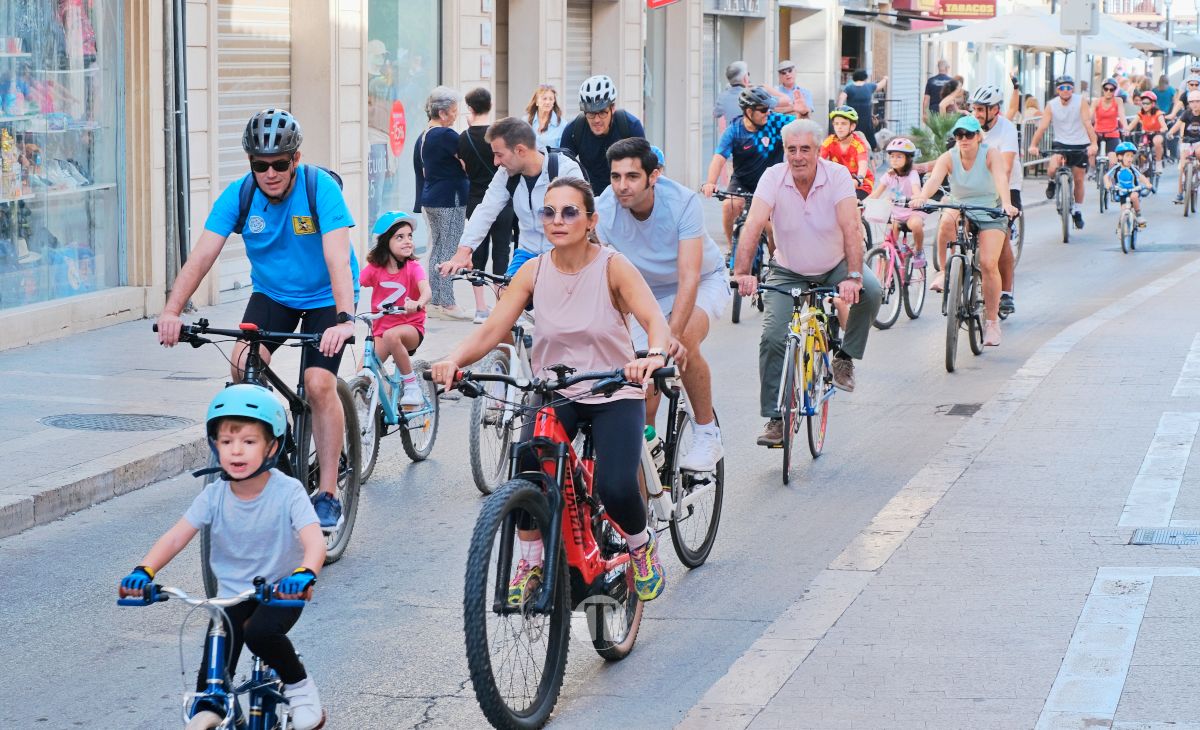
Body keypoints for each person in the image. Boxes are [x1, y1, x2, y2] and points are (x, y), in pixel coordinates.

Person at [430, 177, 674, 602]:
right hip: (557, 388)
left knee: (616, 487)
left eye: (569, 212)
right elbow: (492, 329)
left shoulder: (613, 266)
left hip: (613, 388)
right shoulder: (533, 271)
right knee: (527, 464)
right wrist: (453, 360)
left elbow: (655, 320)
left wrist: (652, 356)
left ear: (591, 221)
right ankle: (530, 562)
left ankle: (640, 546)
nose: (557, 220)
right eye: (549, 212)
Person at [155, 108, 356, 530]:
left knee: (319, 384)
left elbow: (337, 258)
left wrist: (344, 319)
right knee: (242, 365)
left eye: (279, 164)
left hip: (326, 296)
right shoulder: (241, 195)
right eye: (260, 165)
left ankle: (328, 493)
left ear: (295, 159)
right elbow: (202, 256)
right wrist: (173, 311)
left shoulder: (320, 189)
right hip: (273, 294)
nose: (270, 173)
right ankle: (275, 432)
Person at [118, 385, 327, 730]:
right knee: (211, 680)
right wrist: (144, 570)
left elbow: (314, 541)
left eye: (249, 441)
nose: (236, 450)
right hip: (231, 595)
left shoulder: (288, 491)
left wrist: (304, 573)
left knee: (260, 633)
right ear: (215, 445)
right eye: (227, 441)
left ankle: (300, 688)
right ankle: (216, 710)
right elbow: (175, 536)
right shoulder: (214, 495)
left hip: (280, 592)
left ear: (272, 446)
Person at [731, 119, 883, 446]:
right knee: (773, 337)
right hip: (789, 269)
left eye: (805, 149)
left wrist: (854, 276)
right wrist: (743, 271)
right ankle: (775, 418)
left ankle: (844, 357)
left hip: (835, 263)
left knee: (871, 291)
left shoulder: (837, 176)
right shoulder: (773, 176)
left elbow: (851, 226)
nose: (798, 156)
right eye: (791, 150)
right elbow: (754, 223)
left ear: (817, 150)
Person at [596, 138, 729, 471]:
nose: (622, 186)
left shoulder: (682, 203)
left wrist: (670, 337)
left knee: (682, 345)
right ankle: (649, 452)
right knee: (640, 375)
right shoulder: (604, 209)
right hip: (645, 292)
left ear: (653, 176)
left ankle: (706, 433)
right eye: (615, 177)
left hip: (701, 281)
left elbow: (689, 276)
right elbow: (607, 276)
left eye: (632, 176)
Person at [910, 115, 1019, 347]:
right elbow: (934, 180)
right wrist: (922, 197)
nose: (963, 139)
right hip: (960, 205)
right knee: (946, 222)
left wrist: (1007, 203)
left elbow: (1001, 178)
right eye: (959, 135)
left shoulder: (990, 154)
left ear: (978, 136)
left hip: (989, 209)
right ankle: (944, 271)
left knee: (988, 263)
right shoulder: (948, 157)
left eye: (968, 134)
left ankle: (992, 323)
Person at [439, 116, 584, 279]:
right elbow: (486, 209)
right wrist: (464, 251)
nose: (495, 162)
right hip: (527, 253)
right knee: (506, 290)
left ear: (520, 150)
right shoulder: (505, 174)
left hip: (564, 253)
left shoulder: (565, 170)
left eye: (499, 155)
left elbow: (581, 219)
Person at [701, 86, 795, 251]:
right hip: (742, 182)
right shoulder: (734, 130)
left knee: (771, 230)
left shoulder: (775, 121)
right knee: (729, 206)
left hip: (771, 183)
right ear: (749, 112)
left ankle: (775, 260)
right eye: (763, 109)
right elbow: (719, 157)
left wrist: (803, 112)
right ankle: (732, 249)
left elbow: (801, 124)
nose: (768, 112)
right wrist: (710, 182)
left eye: (769, 108)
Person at [360, 212, 430, 407]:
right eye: (400, 237)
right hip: (381, 331)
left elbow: (426, 291)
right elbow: (353, 284)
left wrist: (418, 302)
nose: (407, 241)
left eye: (410, 236)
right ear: (385, 242)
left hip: (411, 328)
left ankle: (412, 386)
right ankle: (374, 416)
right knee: (363, 377)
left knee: (392, 335)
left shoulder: (413, 267)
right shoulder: (375, 268)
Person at [414, 86, 471, 320]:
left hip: (432, 197)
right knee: (448, 250)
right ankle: (447, 303)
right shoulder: (447, 135)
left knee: (437, 249)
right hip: (450, 198)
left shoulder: (424, 136)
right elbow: (466, 161)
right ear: (443, 112)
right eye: (454, 111)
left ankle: (435, 301)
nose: (456, 115)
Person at [460, 87, 514, 322]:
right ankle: (501, 304)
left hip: (475, 199)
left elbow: (464, 168)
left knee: (478, 253)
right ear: (490, 105)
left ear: (470, 108)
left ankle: (480, 307)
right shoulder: (499, 136)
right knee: (501, 251)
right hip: (503, 202)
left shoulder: (463, 138)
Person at [969, 84, 1022, 319]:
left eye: (981, 109)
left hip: (1006, 188)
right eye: (974, 109)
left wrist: (999, 197)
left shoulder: (1006, 129)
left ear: (995, 110)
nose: (977, 114)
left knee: (1002, 240)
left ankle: (1006, 293)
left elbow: (1006, 167)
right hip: (975, 188)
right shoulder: (970, 127)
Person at [1027, 75, 1097, 230]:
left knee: (1079, 180)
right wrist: (1033, 145)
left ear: (1072, 89)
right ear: (1057, 90)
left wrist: (1094, 144)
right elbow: (1043, 127)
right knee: (1052, 167)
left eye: (1069, 87)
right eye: (1062, 88)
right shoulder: (1051, 105)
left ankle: (1077, 210)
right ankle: (1052, 181)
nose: (1066, 90)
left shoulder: (1080, 101)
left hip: (1080, 143)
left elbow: (1087, 123)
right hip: (1061, 142)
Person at [558, 74, 646, 194]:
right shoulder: (574, 130)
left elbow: (643, 168)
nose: (597, 120)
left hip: (624, 193)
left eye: (602, 112)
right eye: (591, 113)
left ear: (612, 108)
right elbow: (563, 170)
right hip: (590, 196)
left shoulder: (631, 126)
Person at [866, 137, 927, 266]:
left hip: (912, 212)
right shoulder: (889, 175)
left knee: (916, 225)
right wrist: (863, 203)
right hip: (896, 215)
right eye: (892, 156)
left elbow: (916, 191)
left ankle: (919, 251)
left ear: (908, 159)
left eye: (899, 157)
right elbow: (876, 193)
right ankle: (886, 274)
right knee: (887, 247)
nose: (894, 159)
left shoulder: (912, 174)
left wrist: (917, 199)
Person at [820, 106, 874, 198]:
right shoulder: (829, 141)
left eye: (843, 124)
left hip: (859, 183)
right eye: (836, 124)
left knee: (852, 201)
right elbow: (819, 159)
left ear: (852, 126)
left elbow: (863, 164)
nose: (839, 127)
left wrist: (859, 179)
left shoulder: (858, 144)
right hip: (839, 182)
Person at [1104, 141, 1151, 228]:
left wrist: (1147, 183)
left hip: (1133, 190)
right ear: (1120, 157)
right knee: (1123, 210)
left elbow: (1141, 176)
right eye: (1127, 156)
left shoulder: (1133, 168)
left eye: (1131, 156)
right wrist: (1107, 183)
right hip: (1122, 192)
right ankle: (1121, 228)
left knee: (1134, 197)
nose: (1130, 158)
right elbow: (1106, 176)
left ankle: (1139, 214)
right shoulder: (1116, 168)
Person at [839, 69, 886, 149]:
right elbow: (880, 85)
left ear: (854, 77)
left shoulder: (849, 88)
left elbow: (841, 98)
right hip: (866, 121)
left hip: (852, 120)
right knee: (870, 143)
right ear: (865, 77)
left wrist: (840, 111)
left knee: (852, 141)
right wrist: (885, 79)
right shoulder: (869, 86)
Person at [1167, 91, 1200, 204]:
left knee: (1199, 152)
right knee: (1182, 166)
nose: (1195, 104)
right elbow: (1178, 124)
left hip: (1199, 141)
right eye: (1192, 102)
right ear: (1189, 103)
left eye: (1197, 101)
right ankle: (1180, 194)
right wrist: (1170, 133)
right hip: (1187, 141)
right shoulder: (1187, 113)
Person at [1093, 78, 1129, 168]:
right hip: (1097, 133)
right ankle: (1092, 170)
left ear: (1114, 90)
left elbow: (1121, 115)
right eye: (1106, 89)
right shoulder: (1096, 102)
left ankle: (1110, 175)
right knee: (1091, 153)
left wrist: (1126, 127)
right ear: (1103, 89)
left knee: (1113, 162)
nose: (1108, 92)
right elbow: (1089, 116)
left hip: (1112, 133)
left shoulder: (1118, 101)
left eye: (1111, 89)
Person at [1129, 90, 1167, 172]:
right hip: (1145, 134)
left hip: (1157, 133)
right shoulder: (1141, 113)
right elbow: (1132, 124)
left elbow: (1164, 126)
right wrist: (1127, 130)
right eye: (1143, 103)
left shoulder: (1158, 113)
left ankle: (1158, 162)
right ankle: (1141, 165)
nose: (1145, 105)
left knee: (1157, 141)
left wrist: (1162, 129)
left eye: (1147, 103)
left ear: (1153, 104)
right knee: (1140, 147)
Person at [525, 83, 566, 151]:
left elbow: (564, 151)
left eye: (551, 99)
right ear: (536, 102)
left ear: (554, 102)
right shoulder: (525, 122)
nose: (547, 102)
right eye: (544, 99)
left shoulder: (562, 125)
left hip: (552, 158)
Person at [715, 61, 751, 133]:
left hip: (731, 137)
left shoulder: (723, 96)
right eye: (748, 74)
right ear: (745, 78)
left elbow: (716, 113)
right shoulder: (752, 95)